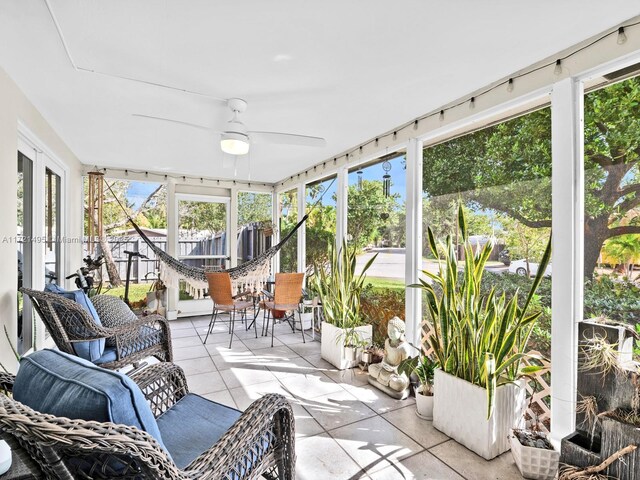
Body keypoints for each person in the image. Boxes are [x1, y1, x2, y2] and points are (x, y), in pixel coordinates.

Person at [368, 316, 411, 395]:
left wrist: (394, 369)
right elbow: (385, 356)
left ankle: (386, 380)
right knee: (371, 368)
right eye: (388, 330)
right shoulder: (387, 341)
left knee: (399, 384)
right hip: (385, 368)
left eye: (393, 331)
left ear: (401, 332)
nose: (390, 333)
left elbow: (405, 367)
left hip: (396, 373)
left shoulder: (404, 348)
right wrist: (384, 363)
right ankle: (385, 379)